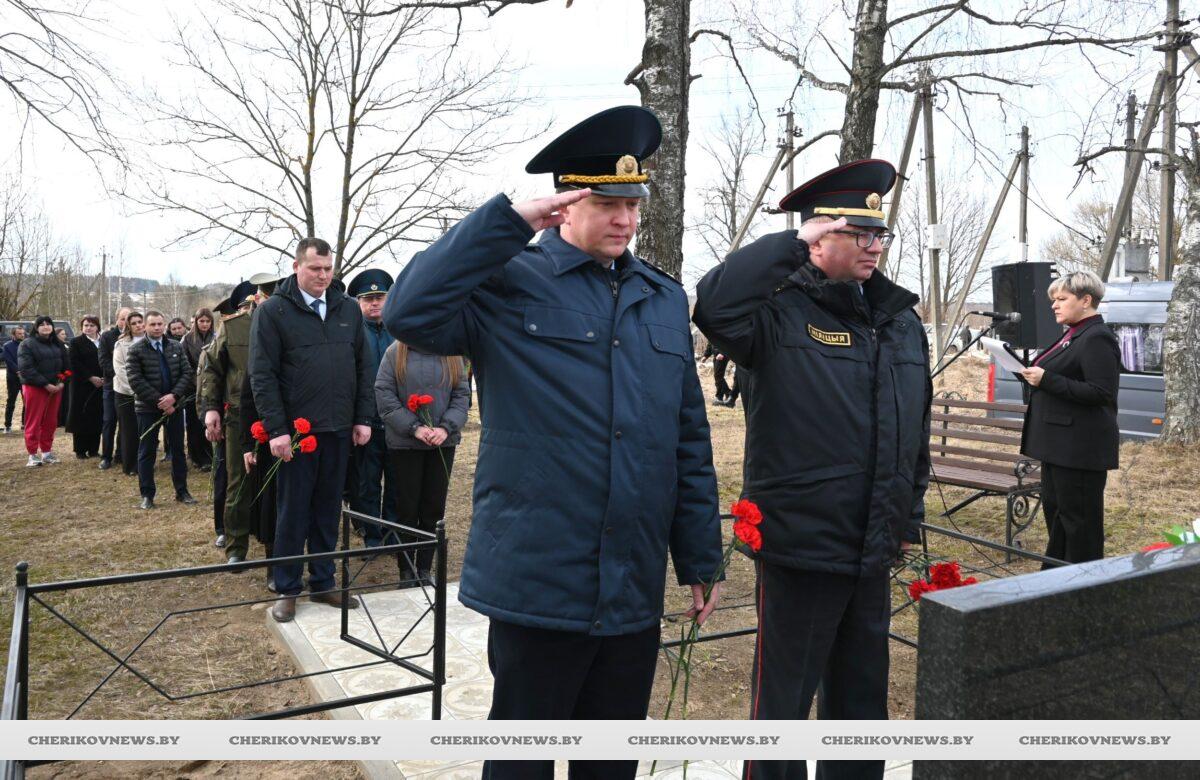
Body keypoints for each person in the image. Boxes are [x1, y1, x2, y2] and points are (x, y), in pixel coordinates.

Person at [384, 105, 723, 780]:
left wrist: (699, 555)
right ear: (565, 205)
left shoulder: (661, 297)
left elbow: (687, 436)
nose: (625, 219)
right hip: (539, 577)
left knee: (611, 763)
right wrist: (508, 222)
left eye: (632, 203)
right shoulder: (509, 280)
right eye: (607, 203)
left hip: (631, 579)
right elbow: (407, 311)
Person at [694, 159, 932, 780]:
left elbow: (913, 431)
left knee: (860, 702)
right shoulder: (775, 312)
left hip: (873, 542)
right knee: (783, 704)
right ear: (818, 236)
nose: (875, 245)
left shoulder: (900, 321)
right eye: (858, 233)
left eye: (880, 234)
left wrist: (907, 518)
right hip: (801, 542)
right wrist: (792, 243)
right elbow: (713, 305)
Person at [250, 240, 375, 622]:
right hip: (297, 435)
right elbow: (262, 374)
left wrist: (362, 417)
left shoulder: (347, 309)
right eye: (315, 268)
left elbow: (363, 365)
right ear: (296, 267)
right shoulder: (273, 312)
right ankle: (287, 587)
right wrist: (277, 429)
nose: (323, 276)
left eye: (327, 269)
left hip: (337, 428)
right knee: (293, 511)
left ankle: (323, 581)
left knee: (327, 509)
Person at [1019, 269, 1121, 567]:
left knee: (1080, 525)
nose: (1054, 305)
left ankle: (1084, 584)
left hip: (1079, 450)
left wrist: (1046, 379)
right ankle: (1056, 577)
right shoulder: (1074, 333)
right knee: (1059, 517)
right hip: (1059, 446)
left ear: (1086, 300)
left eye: (1062, 299)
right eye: (1054, 299)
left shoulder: (1097, 337)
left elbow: (1101, 392)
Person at [375, 340, 470, 577]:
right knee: (406, 509)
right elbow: (385, 394)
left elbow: (461, 395)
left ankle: (425, 567)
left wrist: (446, 428)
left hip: (441, 443)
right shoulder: (395, 353)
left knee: (433, 508)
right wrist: (414, 427)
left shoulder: (451, 353)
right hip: (406, 444)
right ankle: (406, 570)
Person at [199, 280, 261, 560]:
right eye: (248, 304)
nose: (253, 307)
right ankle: (236, 545)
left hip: (278, 415)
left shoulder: (286, 324)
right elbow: (212, 369)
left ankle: (272, 542)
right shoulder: (232, 327)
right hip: (238, 413)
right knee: (238, 480)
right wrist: (211, 408)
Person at [345, 269, 401, 546]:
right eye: (368, 299)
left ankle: (392, 532)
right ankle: (372, 535)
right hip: (366, 421)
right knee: (366, 482)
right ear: (358, 302)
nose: (375, 303)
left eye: (380, 297)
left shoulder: (401, 333)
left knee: (396, 482)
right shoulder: (351, 334)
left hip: (398, 422)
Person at [126, 310, 196, 510]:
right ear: (145, 326)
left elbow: (187, 373)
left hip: (174, 407)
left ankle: (182, 491)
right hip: (148, 409)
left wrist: (174, 397)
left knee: (178, 450)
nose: (157, 328)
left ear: (164, 325)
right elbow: (135, 380)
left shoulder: (176, 346)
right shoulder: (136, 350)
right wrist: (160, 401)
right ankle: (147, 495)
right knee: (147, 451)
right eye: (152, 324)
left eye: (159, 324)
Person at [17, 316, 70, 466]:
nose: (46, 326)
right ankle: (32, 454)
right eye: (42, 324)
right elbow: (26, 368)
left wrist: (61, 382)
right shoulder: (27, 344)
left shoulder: (58, 344)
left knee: (51, 421)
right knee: (34, 421)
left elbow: (67, 367)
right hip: (35, 387)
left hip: (55, 388)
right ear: (36, 328)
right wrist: (45, 384)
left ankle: (46, 452)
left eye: (48, 324)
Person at [182, 307, 216, 471]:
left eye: (208, 321)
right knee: (194, 424)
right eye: (201, 321)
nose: (204, 324)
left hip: (211, 387)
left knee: (207, 423)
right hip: (192, 388)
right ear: (196, 322)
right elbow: (185, 365)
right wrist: (197, 383)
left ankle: (208, 457)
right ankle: (195, 456)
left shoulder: (216, 337)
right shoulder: (187, 339)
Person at [67, 316, 105, 458]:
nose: (88, 328)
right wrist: (90, 377)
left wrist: (105, 377)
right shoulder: (76, 342)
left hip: (101, 384)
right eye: (85, 325)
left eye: (91, 325)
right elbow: (74, 362)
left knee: (97, 416)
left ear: (97, 327)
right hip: (81, 385)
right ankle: (80, 450)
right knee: (81, 416)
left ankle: (93, 449)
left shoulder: (103, 341)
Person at [112, 312, 144, 477]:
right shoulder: (121, 345)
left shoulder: (150, 341)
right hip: (126, 393)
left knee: (143, 430)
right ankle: (130, 465)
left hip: (146, 393)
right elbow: (121, 370)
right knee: (129, 430)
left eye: (140, 322)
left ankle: (144, 462)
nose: (138, 325)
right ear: (129, 327)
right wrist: (137, 390)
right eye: (134, 323)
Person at [97, 309, 130, 470]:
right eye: (122, 319)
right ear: (117, 319)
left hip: (129, 387)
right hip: (112, 385)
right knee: (109, 421)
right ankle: (106, 456)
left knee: (125, 422)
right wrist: (119, 375)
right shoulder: (107, 337)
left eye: (128, 319)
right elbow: (103, 360)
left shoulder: (136, 337)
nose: (125, 322)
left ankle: (121, 454)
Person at [3, 325, 25, 433]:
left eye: (23, 333)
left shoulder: (27, 345)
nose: (22, 335)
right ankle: (8, 425)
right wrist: (18, 371)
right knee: (11, 401)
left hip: (26, 377)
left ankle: (25, 423)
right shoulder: (7, 346)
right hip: (13, 378)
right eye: (19, 334)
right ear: (13, 334)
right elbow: (8, 361)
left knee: (27, 401)